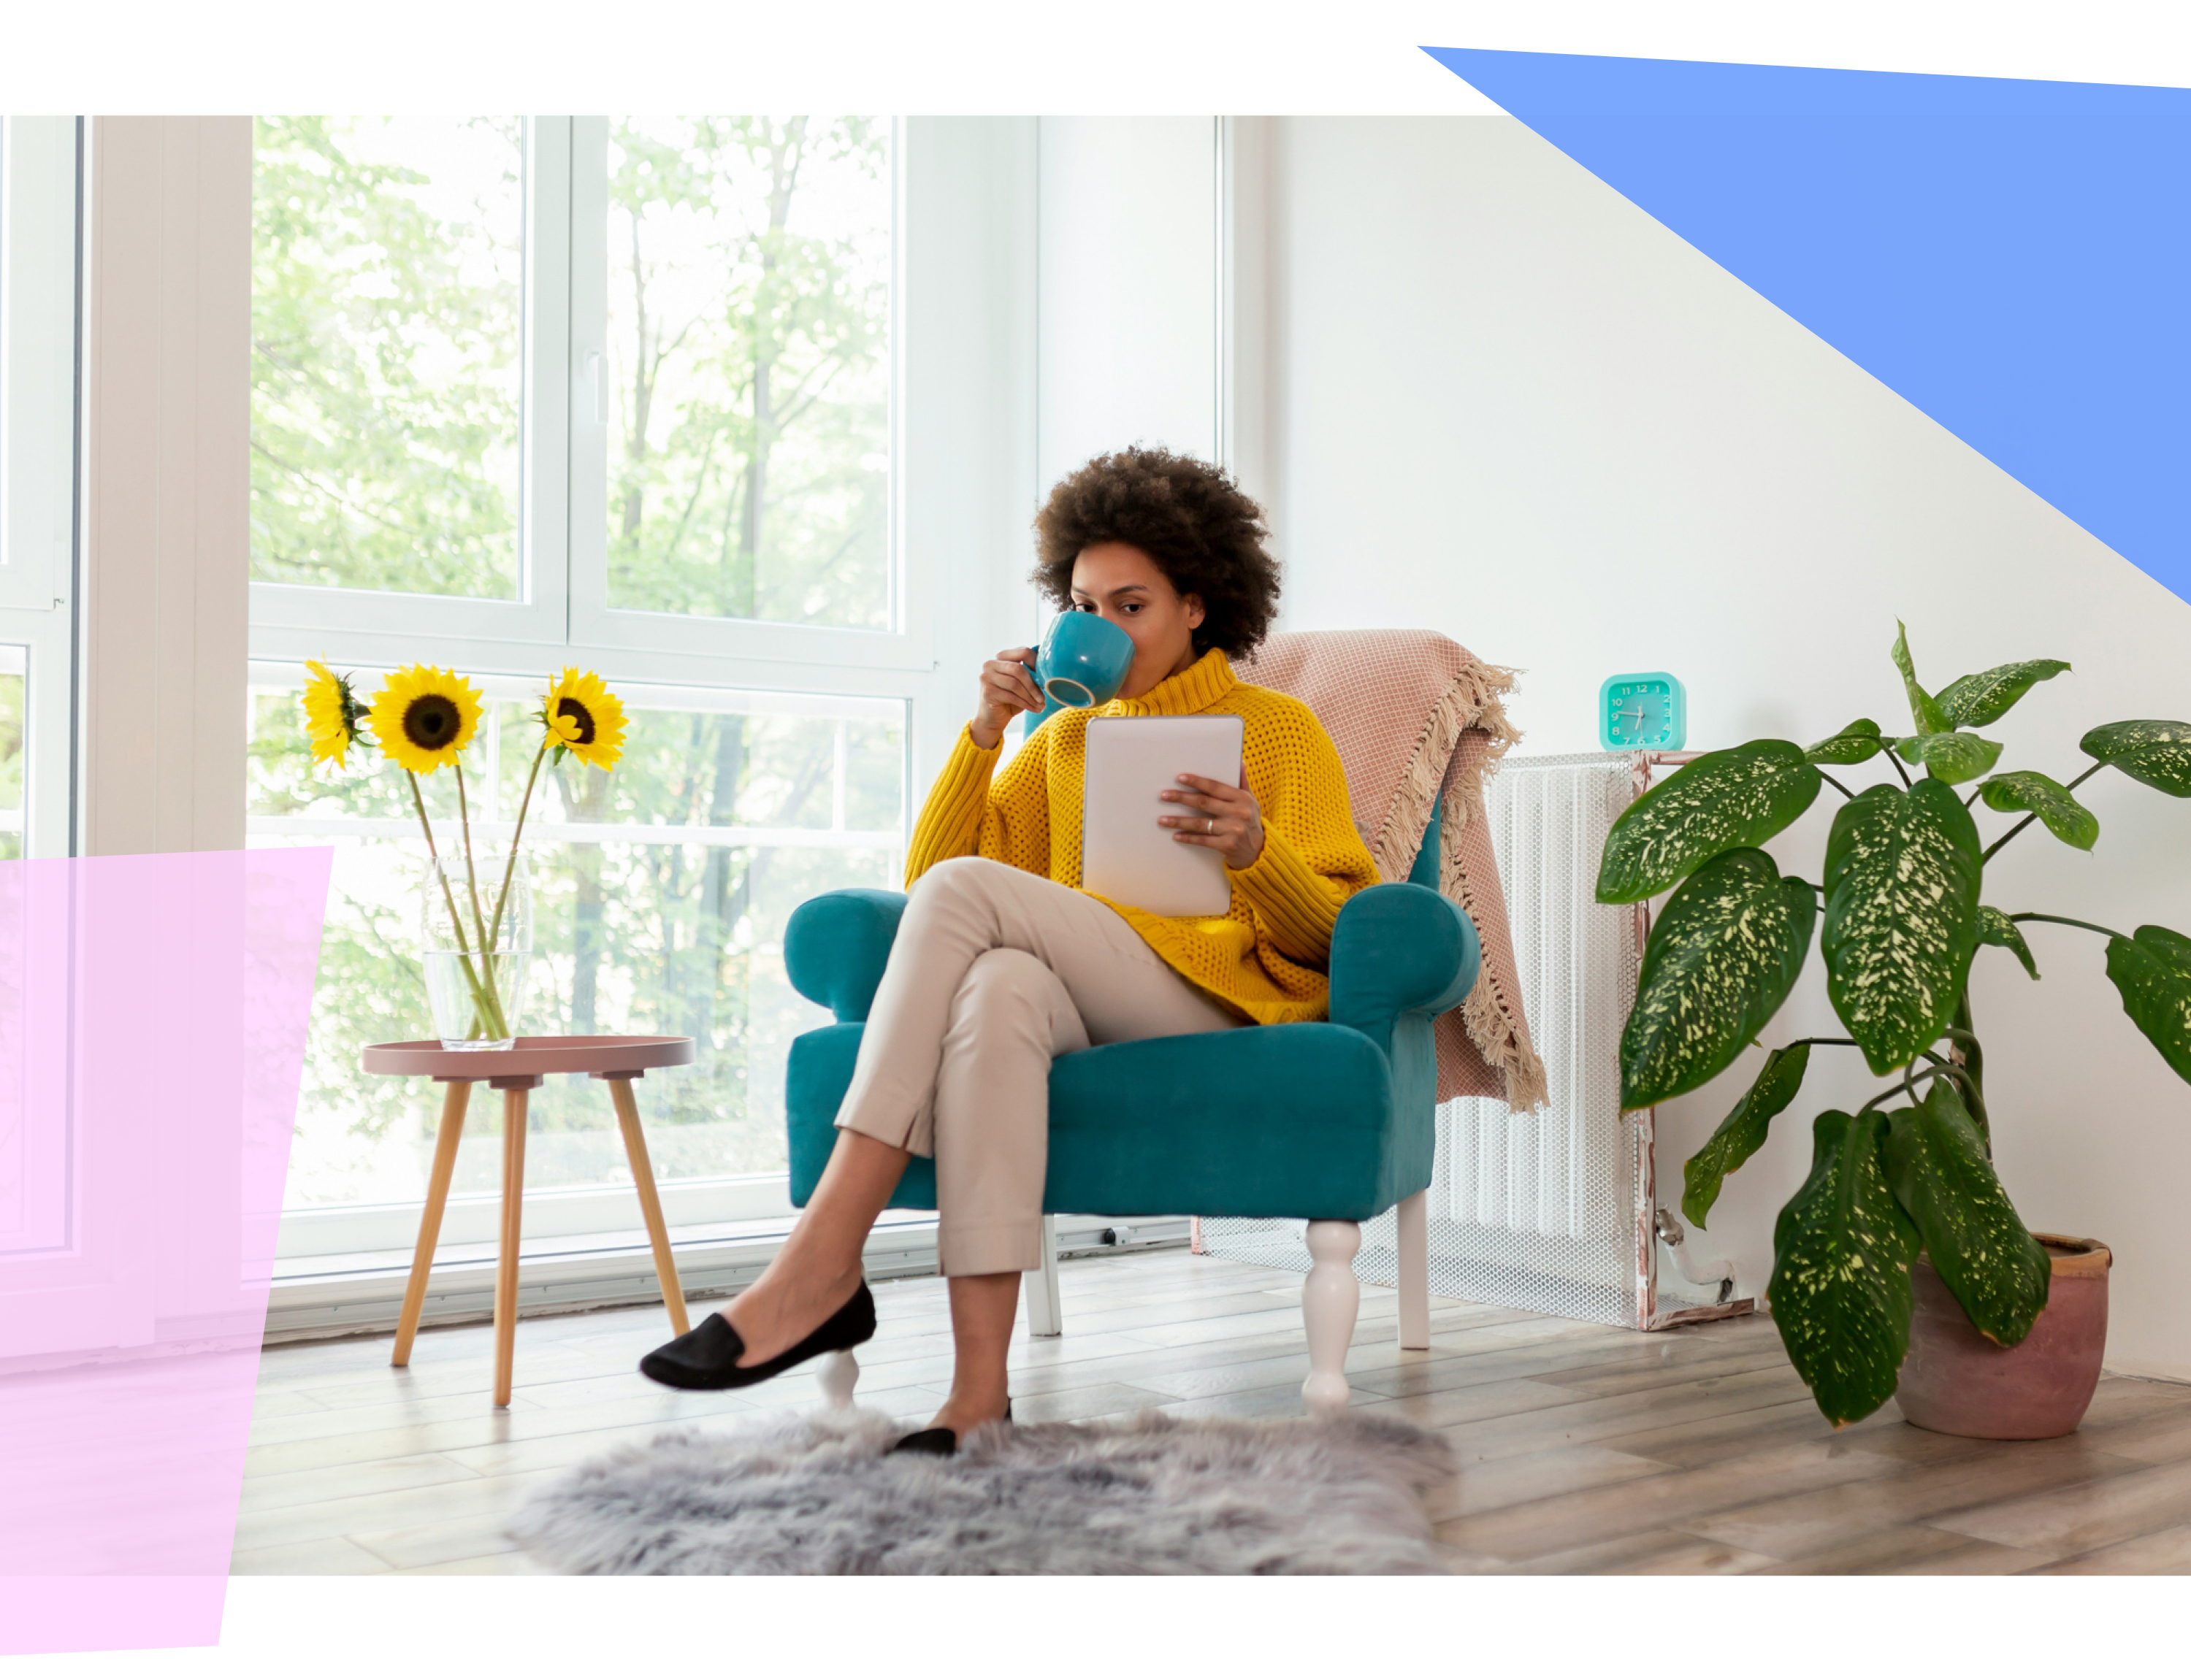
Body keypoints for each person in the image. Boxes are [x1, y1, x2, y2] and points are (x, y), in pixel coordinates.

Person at [639, 448, 1379, 1453]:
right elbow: (933, 898)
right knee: (994, 988)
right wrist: (986, 734)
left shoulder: (1278, 732)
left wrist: (1257, 851)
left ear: (1197, 605)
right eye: (1083, 605)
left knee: (971, 910)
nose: (1102, 628)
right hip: (1081, 993)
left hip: (1214, 997)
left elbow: (1341, 933)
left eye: (1132, 606)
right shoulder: (1057, 744)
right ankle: (978, 1395)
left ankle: (822, 1260)